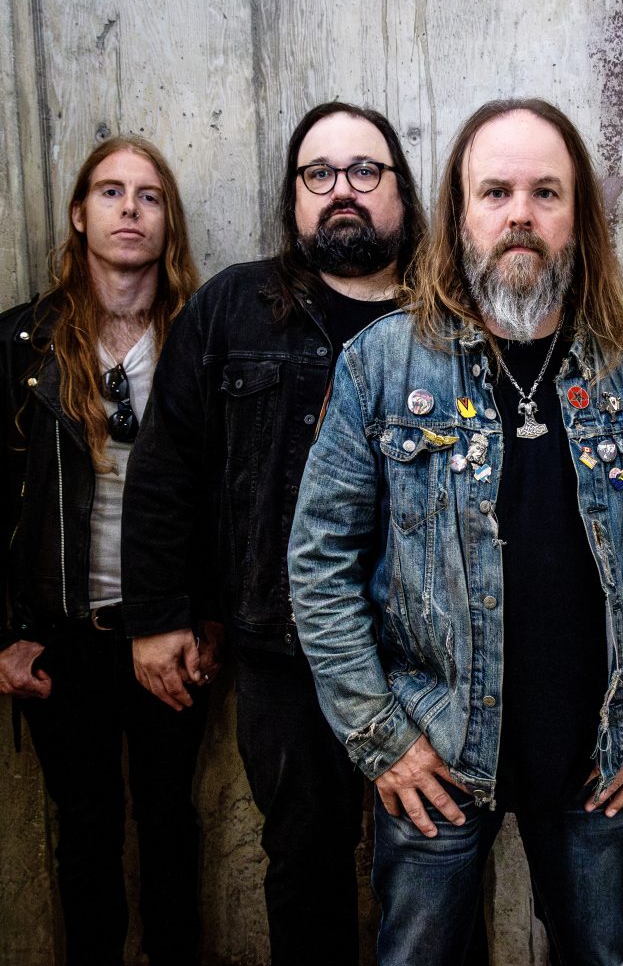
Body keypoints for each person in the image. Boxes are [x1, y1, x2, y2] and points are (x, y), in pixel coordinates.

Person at [287, 97, 623, 966]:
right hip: (436, 753)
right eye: (496, 192)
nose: (520, 214)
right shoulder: (381, 364)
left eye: (545, 192)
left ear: (579, 218)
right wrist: (384, 741)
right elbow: (319, 565)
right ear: (459, 215)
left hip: (599, 758)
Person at [120, 102, 426, 965]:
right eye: (318, 174)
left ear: (400, 191)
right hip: (282, 650)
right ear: (293, 196)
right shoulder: (235, 306)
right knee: (303, 861)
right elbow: (168, 465)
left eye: (364, 171)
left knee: (436, 865)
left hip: (429, 653)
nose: (342, 190)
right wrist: (158, 615)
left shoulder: (448, 313)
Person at [0, 136, 206, 965]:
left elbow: (230, 499)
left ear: (167, 221)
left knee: (171, 826)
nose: (130, 209)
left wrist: (208, 617)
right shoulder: (22, 344)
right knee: (84, 837)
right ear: (80, 215)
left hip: (167, 630)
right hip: (62, 636)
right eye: (111, 192)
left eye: (149, 195)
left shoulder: (198, 339)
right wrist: (8, 635)